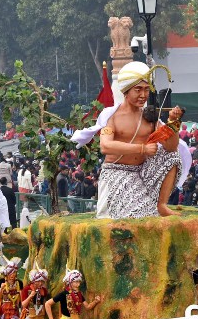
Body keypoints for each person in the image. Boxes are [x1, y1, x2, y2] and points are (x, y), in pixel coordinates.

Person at [71, 61, 189, 219]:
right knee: (139, 214)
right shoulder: (111, 115)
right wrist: (142, 149)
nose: (143, 95)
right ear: (126, 91)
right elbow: (105, 146)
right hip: (115, 172)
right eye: (138, 89)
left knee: (173, 157)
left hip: (142, 172)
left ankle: (161, 205)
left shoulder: (150, 117)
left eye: (147, 90)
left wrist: (173, 123)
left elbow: (171, 147)